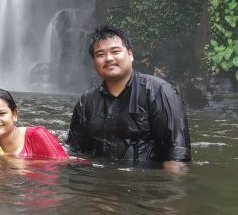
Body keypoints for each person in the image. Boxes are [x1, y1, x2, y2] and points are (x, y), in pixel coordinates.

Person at [65, 25, 191, 171]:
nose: (109, 58)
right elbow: (74, 150)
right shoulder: (86, 101)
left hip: (145, 182)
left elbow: (176, 157)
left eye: (115, 51)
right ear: (94, 62)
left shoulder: (159, 92)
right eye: (100, 54)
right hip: (98, 181)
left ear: (130, 54)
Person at [0, 88, 68, 159]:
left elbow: (61, 166)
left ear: (14, 114)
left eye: (1, 114)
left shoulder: (38, 135)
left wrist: (9, 160)